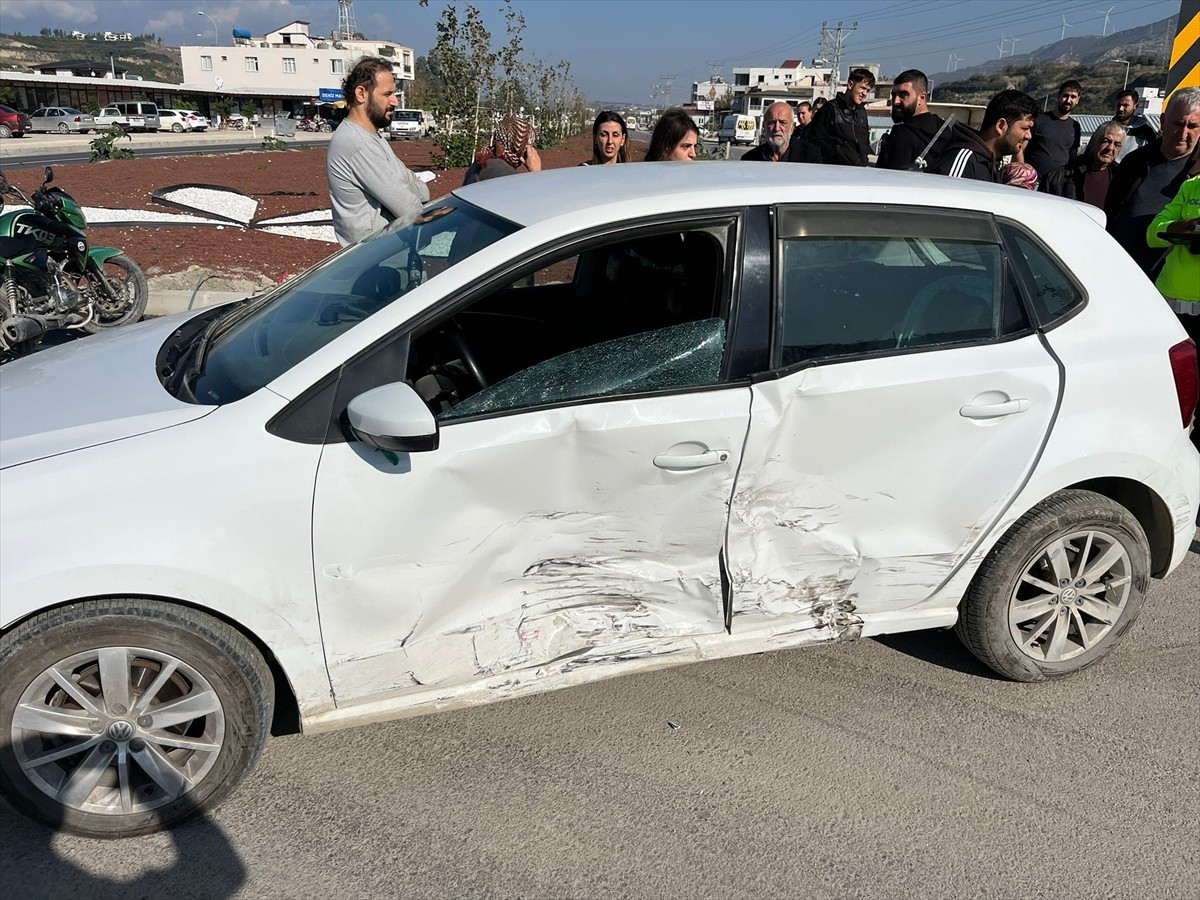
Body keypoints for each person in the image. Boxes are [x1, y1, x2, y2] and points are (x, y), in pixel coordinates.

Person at [326, 57, 431, 247]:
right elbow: (410, 207)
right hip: (375, 259)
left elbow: (417, 186)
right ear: (361, 94)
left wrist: (411, 188)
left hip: (383, 253)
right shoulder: (357, 143)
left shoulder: (371, 137)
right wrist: (411, 190)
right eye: (388, 94)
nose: (395, 101)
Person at [1105, 87, 1200, 275]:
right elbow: (1111, 214)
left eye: (1192, 126)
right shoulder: (1134, 162)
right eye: (1178, 124)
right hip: (1120, 271)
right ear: (1163, 122)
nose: (1183, 134)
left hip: (1173, 286)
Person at [1146, 145, 1200, 445]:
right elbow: (1154, 234)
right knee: (1165, 393)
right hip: (1171, 308)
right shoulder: (1191, 186)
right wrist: (1180, 227)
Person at [928, 89, 1038, 183]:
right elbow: (946, 204)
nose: (1028, 136)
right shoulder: (964, 161)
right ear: (1001, 126)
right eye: (1025, 128)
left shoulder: (992, 164)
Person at [875, 69, 946, 171]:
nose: (895, 101)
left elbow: (888, 180)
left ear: (922, 98)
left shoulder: (901, 134)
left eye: (903, 95)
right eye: (894, 95)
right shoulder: (944, 129)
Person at [1041, 122, 1125, 207]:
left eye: (1117, 145)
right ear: (1092, 141)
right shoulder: (1059, 177)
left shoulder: (1122, 180)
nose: (1110, 148)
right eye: (1105, 141)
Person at [808, 68, 874, 166]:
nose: (864, 93)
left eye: (868, 90)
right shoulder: (830, 109)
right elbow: (814, 141)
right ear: (850, 85)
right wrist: (838, 152)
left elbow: (864, 143)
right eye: (862, 88)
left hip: (859, 171)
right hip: (834, 171)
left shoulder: (862, 113)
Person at [1024, 80, 1082, 180]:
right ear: (1058, 96)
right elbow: (1021, 148)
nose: (1068, 100)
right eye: (1065, 95)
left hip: (1057, 184)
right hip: (1033, 181)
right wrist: (1023, 173)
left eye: (1073, 97)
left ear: (1077, 100)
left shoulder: (1075, 127)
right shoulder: (1039, 119)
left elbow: (1072, 157)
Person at [464, 116, 541, 184]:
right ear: (519, 145)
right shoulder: (504, 174)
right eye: (529, 144)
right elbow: (527, 198)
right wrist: (536, 174)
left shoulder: (484, 159)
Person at [741, 101, 821, 163]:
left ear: (792, 128)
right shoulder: (749, 159)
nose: (777, 128)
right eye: (772, 123)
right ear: (764, 127)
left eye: (783, 123)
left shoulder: (811, 155)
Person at [1112, 89, 1157, 161]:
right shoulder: (1106, 129)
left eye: (1125, 105)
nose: (1121, 109)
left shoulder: (1146, 133)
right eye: (1118, 105)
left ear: (1136, 106)